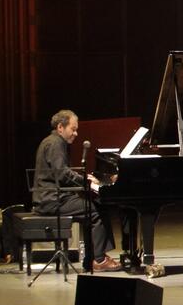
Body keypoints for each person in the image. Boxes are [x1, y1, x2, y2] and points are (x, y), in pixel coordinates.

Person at [32, 109, 123, 271]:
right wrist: (86, 180)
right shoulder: (55, 143)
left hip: (50, 198)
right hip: (52, 200)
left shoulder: (51, 141)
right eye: (73, 129)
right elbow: (62, 173)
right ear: (61, 127)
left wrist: (85, 180)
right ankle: (99, 260)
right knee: (94, 210)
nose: (76, 133)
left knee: (93, 205)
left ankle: (92, 258)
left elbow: (61, 172)